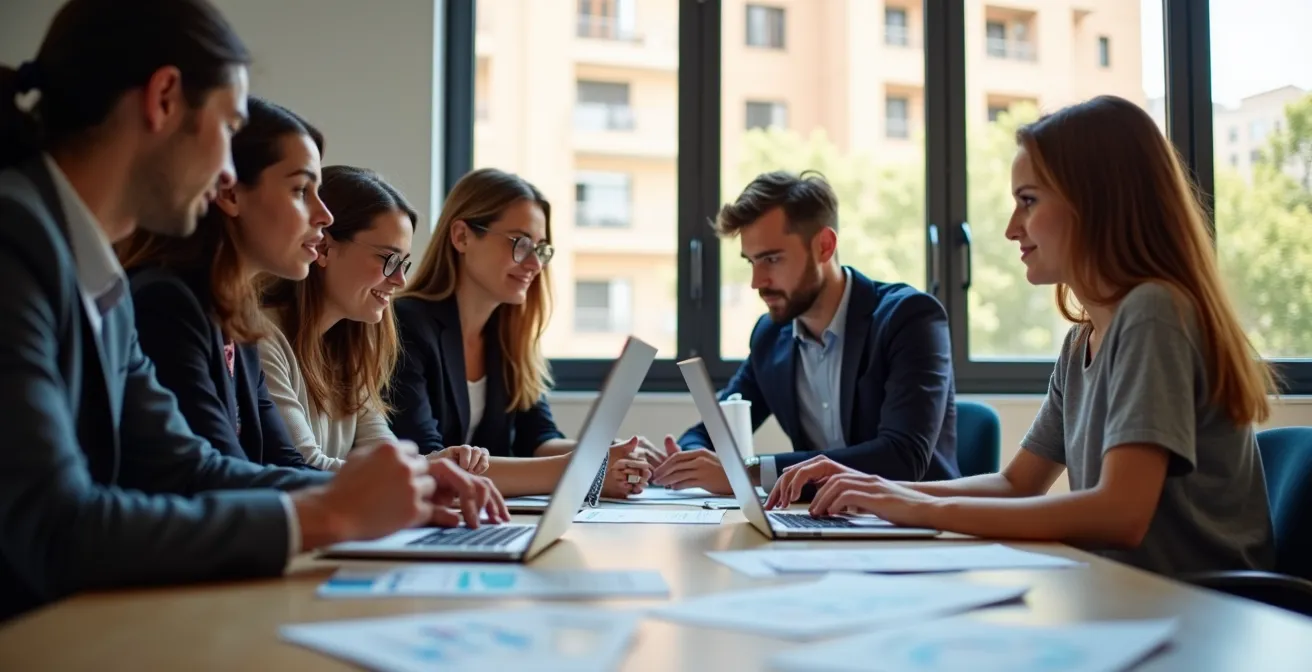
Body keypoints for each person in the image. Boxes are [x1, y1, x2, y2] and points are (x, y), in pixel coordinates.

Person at [0, 0, 504, 621]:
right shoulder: (17, 246)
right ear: (163, 99)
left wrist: (389, 493)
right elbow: (56, 527)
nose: (225, 174)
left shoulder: (93, 270)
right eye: (228, 127)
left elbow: (188, 465)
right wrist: (332, 512)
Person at [768, 95, 1276, 577]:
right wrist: (884, 490)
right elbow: (1016, 483)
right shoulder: (1083, 340)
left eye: (1028, 201)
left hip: (1202, 610)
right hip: (1125, 597)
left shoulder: (1153, 312)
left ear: (1096, 203)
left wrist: (918, 508)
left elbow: (1120, 514)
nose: (1012, 228)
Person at [651, 170, 959, 495]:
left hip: (915, 528)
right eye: (751, 262)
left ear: (824, 246)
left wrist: (747, 473)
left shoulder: (909, 318)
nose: (757, 282)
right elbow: (711, 431)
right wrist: (687, 458)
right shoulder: (771, 337)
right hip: (821, 524)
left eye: (771, 259)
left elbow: (902, 458)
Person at [388, 167, 659, 497]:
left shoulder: (510, 336)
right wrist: (586, 467)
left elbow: (539, 439)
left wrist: (608, 452)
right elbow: (431, 461)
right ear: (461, 236)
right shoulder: (405, 324)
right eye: (520, 243)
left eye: (541, 249)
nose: (534, 264)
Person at [115, 97, 330, 469]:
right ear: (230, 193)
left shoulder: (237, 314)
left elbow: (285, 463)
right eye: (300, 191)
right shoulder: (165, 303)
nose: (325, 215)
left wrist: (411, 488)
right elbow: (217, 473)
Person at [260, 165, 486, 472]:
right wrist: (424, 472)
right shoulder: (262, 338)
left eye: (403, 263)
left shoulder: (348, 347)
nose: (400, 281)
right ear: (323, 248)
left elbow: (387, 455)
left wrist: (435, 465)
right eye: (389, 259)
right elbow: (303, 466)